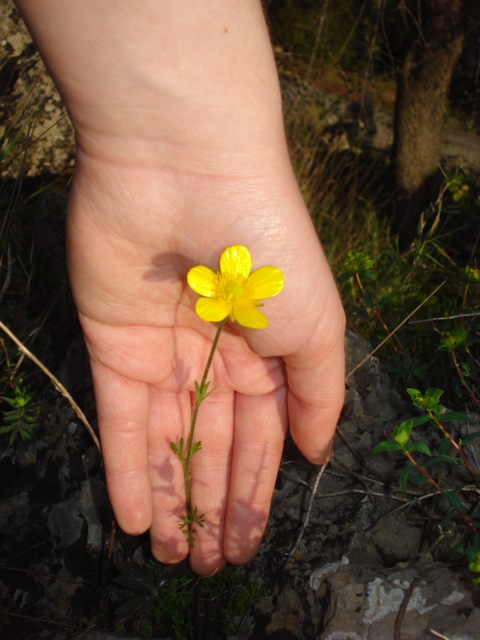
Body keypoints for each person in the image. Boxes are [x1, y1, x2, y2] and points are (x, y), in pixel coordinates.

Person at [14, 0, 346, 577]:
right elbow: (209, 279)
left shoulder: (247, 294)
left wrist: (197, 152)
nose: (232, 279)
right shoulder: (212, 290)